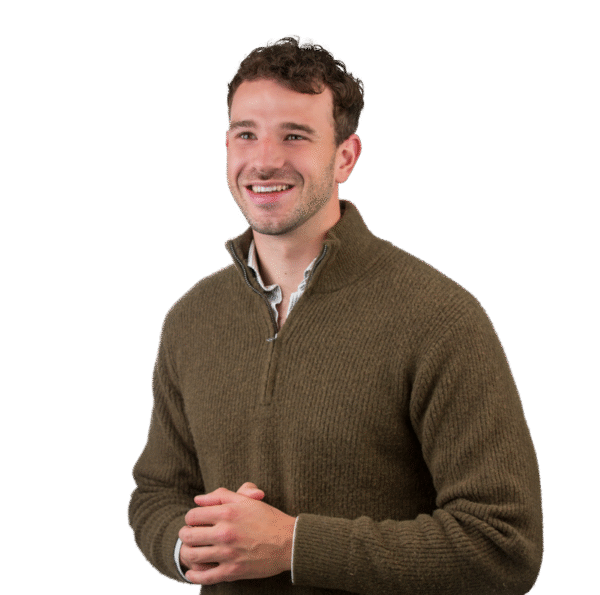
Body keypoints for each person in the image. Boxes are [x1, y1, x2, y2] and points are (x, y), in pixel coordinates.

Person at [127, 35, 544, 594]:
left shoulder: (440, 318)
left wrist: (293, 546)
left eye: (294, 136)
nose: (264, 160)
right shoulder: (191, 318)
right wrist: (187, 546)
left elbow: (504, 545)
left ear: (346, 156)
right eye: (246, 134)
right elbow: (156, 492)